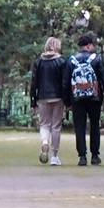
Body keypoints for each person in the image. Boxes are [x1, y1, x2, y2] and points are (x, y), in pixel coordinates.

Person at [67, 33, 104, 166]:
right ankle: (95, 155)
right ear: (88, 45)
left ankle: (82, 156)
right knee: (94, 126)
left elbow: (65, 82)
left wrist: (67, 101)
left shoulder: (71, 60)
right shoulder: (97, 59)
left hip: (77, 98)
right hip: (94, 97)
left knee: (79, 126)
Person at [30, 36, 72, 165]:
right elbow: (65, 83)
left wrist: (33, 100)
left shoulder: (39, 62)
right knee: (56, 126)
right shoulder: (61, 62)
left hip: (43, 97)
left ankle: (44, 142)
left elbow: (34, 83)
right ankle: (54, 155)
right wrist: (68, 101)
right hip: (58, 97)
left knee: (44, 124)